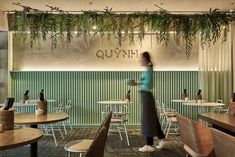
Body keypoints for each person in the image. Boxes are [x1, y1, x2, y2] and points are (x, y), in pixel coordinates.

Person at [131, 51, 165, 152]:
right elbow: (146, 83)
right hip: (145, 96)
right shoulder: (148, 69)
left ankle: (149, 145)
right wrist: (137, 83)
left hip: (147, 96)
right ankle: (161, 138)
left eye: (141, 59)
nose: (140, 61)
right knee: (152, 119)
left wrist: (138, 82)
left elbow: (149, 84)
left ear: (146, 60)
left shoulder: (149, 70)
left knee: (148, 120)